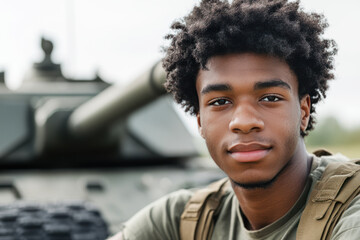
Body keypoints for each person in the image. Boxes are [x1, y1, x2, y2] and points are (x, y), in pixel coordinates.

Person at [109, 0, 360, 239]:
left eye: (270, 98)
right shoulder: (184, 219)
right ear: (200, 122)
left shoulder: (351, 212)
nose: (243, 121)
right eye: (220, 102)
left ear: (303, 111)